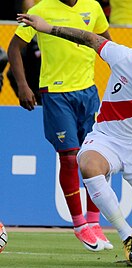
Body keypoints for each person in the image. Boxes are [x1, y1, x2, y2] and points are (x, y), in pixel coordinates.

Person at [15, 13, 132, 268]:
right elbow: (88, 37)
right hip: (106, 138)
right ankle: (127, 236)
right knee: (88, 164)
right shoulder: (125, 58)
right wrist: (47, 27)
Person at [8, 0, 113, 252]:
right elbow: (14, 49)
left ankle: (94, 223)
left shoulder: (93, 7)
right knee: (68, 158)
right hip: (56, 94)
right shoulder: (40, 10)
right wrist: (23, 85)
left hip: (88, 92)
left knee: (95, 157)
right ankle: (79, 225)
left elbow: (107, 45)